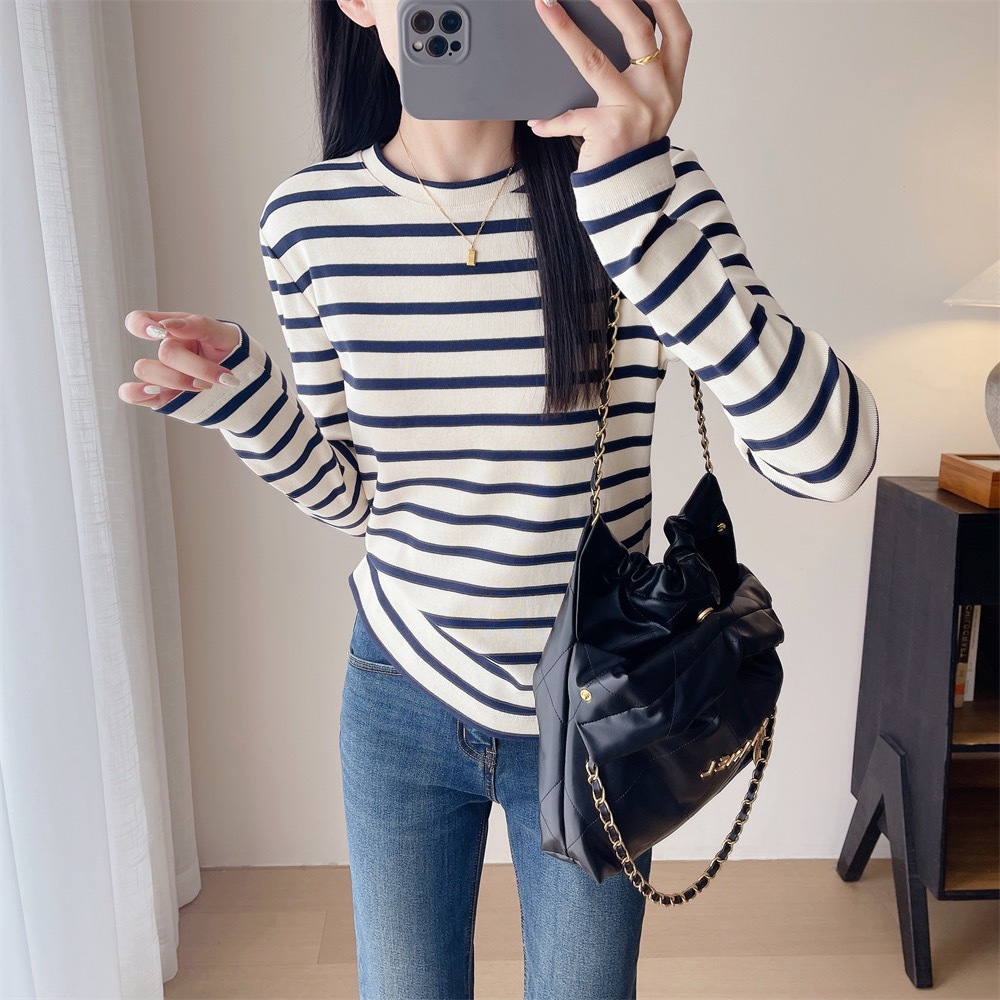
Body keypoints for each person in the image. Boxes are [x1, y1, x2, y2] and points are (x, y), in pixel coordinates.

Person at [119, 1, 879, 996]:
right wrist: (245, 400)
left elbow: (830, 458)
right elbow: (358, 500)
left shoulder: (645, 187)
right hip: (398, 688)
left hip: (593, 705)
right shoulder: (308, 222)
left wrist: (637, 215)